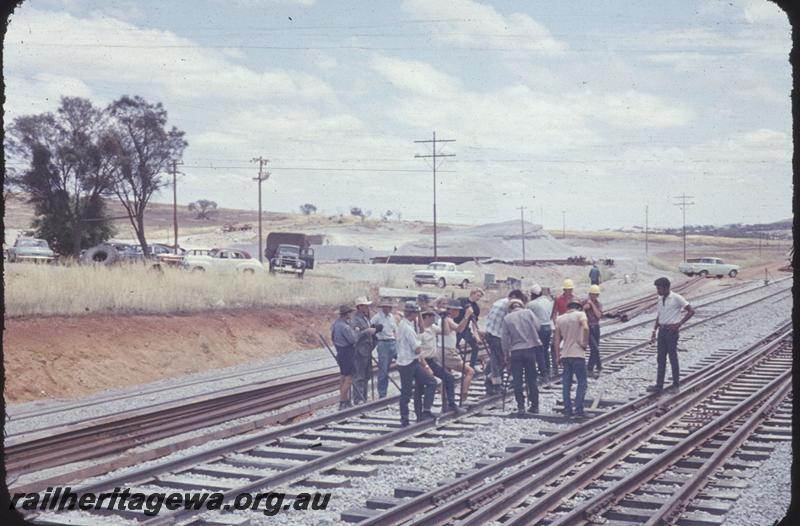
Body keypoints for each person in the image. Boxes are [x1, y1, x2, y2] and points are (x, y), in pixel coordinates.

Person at [647, 277, 696, 394]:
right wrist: (654, 331)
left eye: (659, 288)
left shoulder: (676, 298)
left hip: (671, 331)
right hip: (662, 331)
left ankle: (676, 385)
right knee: (661, 359)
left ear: (666, 287)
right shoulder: (660, 299)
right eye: (657, 288)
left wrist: (679, 324)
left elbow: (691, 311)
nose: (658, 291)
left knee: (672, 358)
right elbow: (659, 316)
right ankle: (659, 386)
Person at [396, 301, 437, 426]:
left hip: (408, 362)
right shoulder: (408, 328)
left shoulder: (404, 324)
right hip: (408, 363)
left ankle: (422, 413)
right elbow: (417, 349)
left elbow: (421, 329)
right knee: (407, 392)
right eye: (417, 313)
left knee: (428, 383)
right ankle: (405, 419)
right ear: (413, 314)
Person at [501, 299, 542, 415]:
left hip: (516, 352)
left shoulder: (507, 318)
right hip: (530, 350)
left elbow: (504, 339)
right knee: (532, 379)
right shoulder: (528, 313)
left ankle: (521, 406)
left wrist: (506, 354)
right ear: (521, 305)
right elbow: (538, 327)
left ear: (510, 307)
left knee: (517, 381)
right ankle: (535, 406)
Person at [484, 289, 528, 395]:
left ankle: (492, 383)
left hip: (490, 332)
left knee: (495, 360)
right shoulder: (508, 306)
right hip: (497, 335)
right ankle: (493, 382)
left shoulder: (499, 301)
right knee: (501, 361)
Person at [554, 300, 589, 418]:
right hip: (578, 353)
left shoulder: (560, 319)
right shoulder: (580, 315)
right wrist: (584, 343)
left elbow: (557, 340)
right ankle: (579, 410)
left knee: (566, 384)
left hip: (565, 354)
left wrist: (558, 356)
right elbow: (586, 328)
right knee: (582, 382)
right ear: (578, 307)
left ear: (567, 307)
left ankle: (567, 409)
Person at [419, 309, 459, 413]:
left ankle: (451, 404)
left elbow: (446, 332)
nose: (434, 318)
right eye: (432, 316)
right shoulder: (421, 331)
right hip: (423, 362)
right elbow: (417, 351)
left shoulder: (433, 328)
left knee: (449, 378)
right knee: (430, 383)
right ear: (426, 317)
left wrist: (444, 318)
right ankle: (426, 410)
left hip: (432, 361)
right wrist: (426, 367)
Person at [436, 299, 476, 403]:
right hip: (448, 352)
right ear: (451, 310)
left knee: (447, 376)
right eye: (457, 310)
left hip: (443, 350)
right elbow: (459, 329)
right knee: (469, 371)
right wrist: (466, 316)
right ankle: (463, 397)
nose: (458, 313)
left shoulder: (446, 319)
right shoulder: (447, 319)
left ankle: (447, 401)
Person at [331, 304, 357, 410]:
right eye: (350, 313)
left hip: (340, 352)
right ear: (346, 314)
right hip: (347, 353)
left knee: (343, 376)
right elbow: (352, 340)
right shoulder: (344, 327)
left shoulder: (335, 324)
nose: (351, 315)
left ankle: (343, 399)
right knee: (348, 378)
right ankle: (343, 401)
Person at [351, 296, 377, 404]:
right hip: (359, 351)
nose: (367, 307)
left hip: (367, 350)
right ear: (359, 307)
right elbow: (355, 336)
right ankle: (358, 399)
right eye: (365, 305)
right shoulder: (355, 320)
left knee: (366, 375)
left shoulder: (366, 318)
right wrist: (367, 331)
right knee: (359, 375)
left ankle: (364, 397)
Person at [371, 299, 399, 398]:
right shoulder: (377, 317)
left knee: (404, 363)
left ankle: (409, 387)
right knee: (383, 370)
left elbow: (395, 330)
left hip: (393, 342)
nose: (388, 308)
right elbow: (370, 329)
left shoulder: (392, 317)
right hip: (383, 343)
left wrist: (397, 341)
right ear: (383, 307)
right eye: (386, 307)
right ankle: (382, 394)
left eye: (389, 307)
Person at [527, 284, 553, 380]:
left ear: (532, 294)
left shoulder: (531, 304)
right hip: (548, 327)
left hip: (539, 328)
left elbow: (527, 317)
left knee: (538, 351)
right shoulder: (547, 301)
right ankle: (547, 368)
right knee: (545, 350)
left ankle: (543, 372)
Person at [550, 279, 576, 376]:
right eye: (567, 289)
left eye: (570, 289)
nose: (568, 291)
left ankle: (570, 368)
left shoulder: (576, 300)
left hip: (572, 327)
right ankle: (555, 367)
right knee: (553, 345)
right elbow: (553, 314)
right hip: (561, 326)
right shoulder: (558, 299)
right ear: (564, 290)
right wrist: (556, 324)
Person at [455, 288, 485, 368]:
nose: (478, 298)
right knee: (453, 347)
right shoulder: (461, 300)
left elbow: (474, 323)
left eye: (480, 296)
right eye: (477, 295)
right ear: (472, 293)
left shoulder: (476, 308)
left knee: (475, 347)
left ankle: (471, 367)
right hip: (455, 327)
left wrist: (477, 337)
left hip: (465, 329)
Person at [583, 285, 604, 378]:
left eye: (595, 295)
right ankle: (597, 367)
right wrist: (586, 306)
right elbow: (580, 311)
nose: (593, 296)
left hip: (596, 327)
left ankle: (591, 369)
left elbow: (598, 315)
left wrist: (591, 305)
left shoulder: (598, 304)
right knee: (595, 348)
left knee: (594, 349)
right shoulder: (584, 302)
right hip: (588, 328)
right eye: (592, 294)